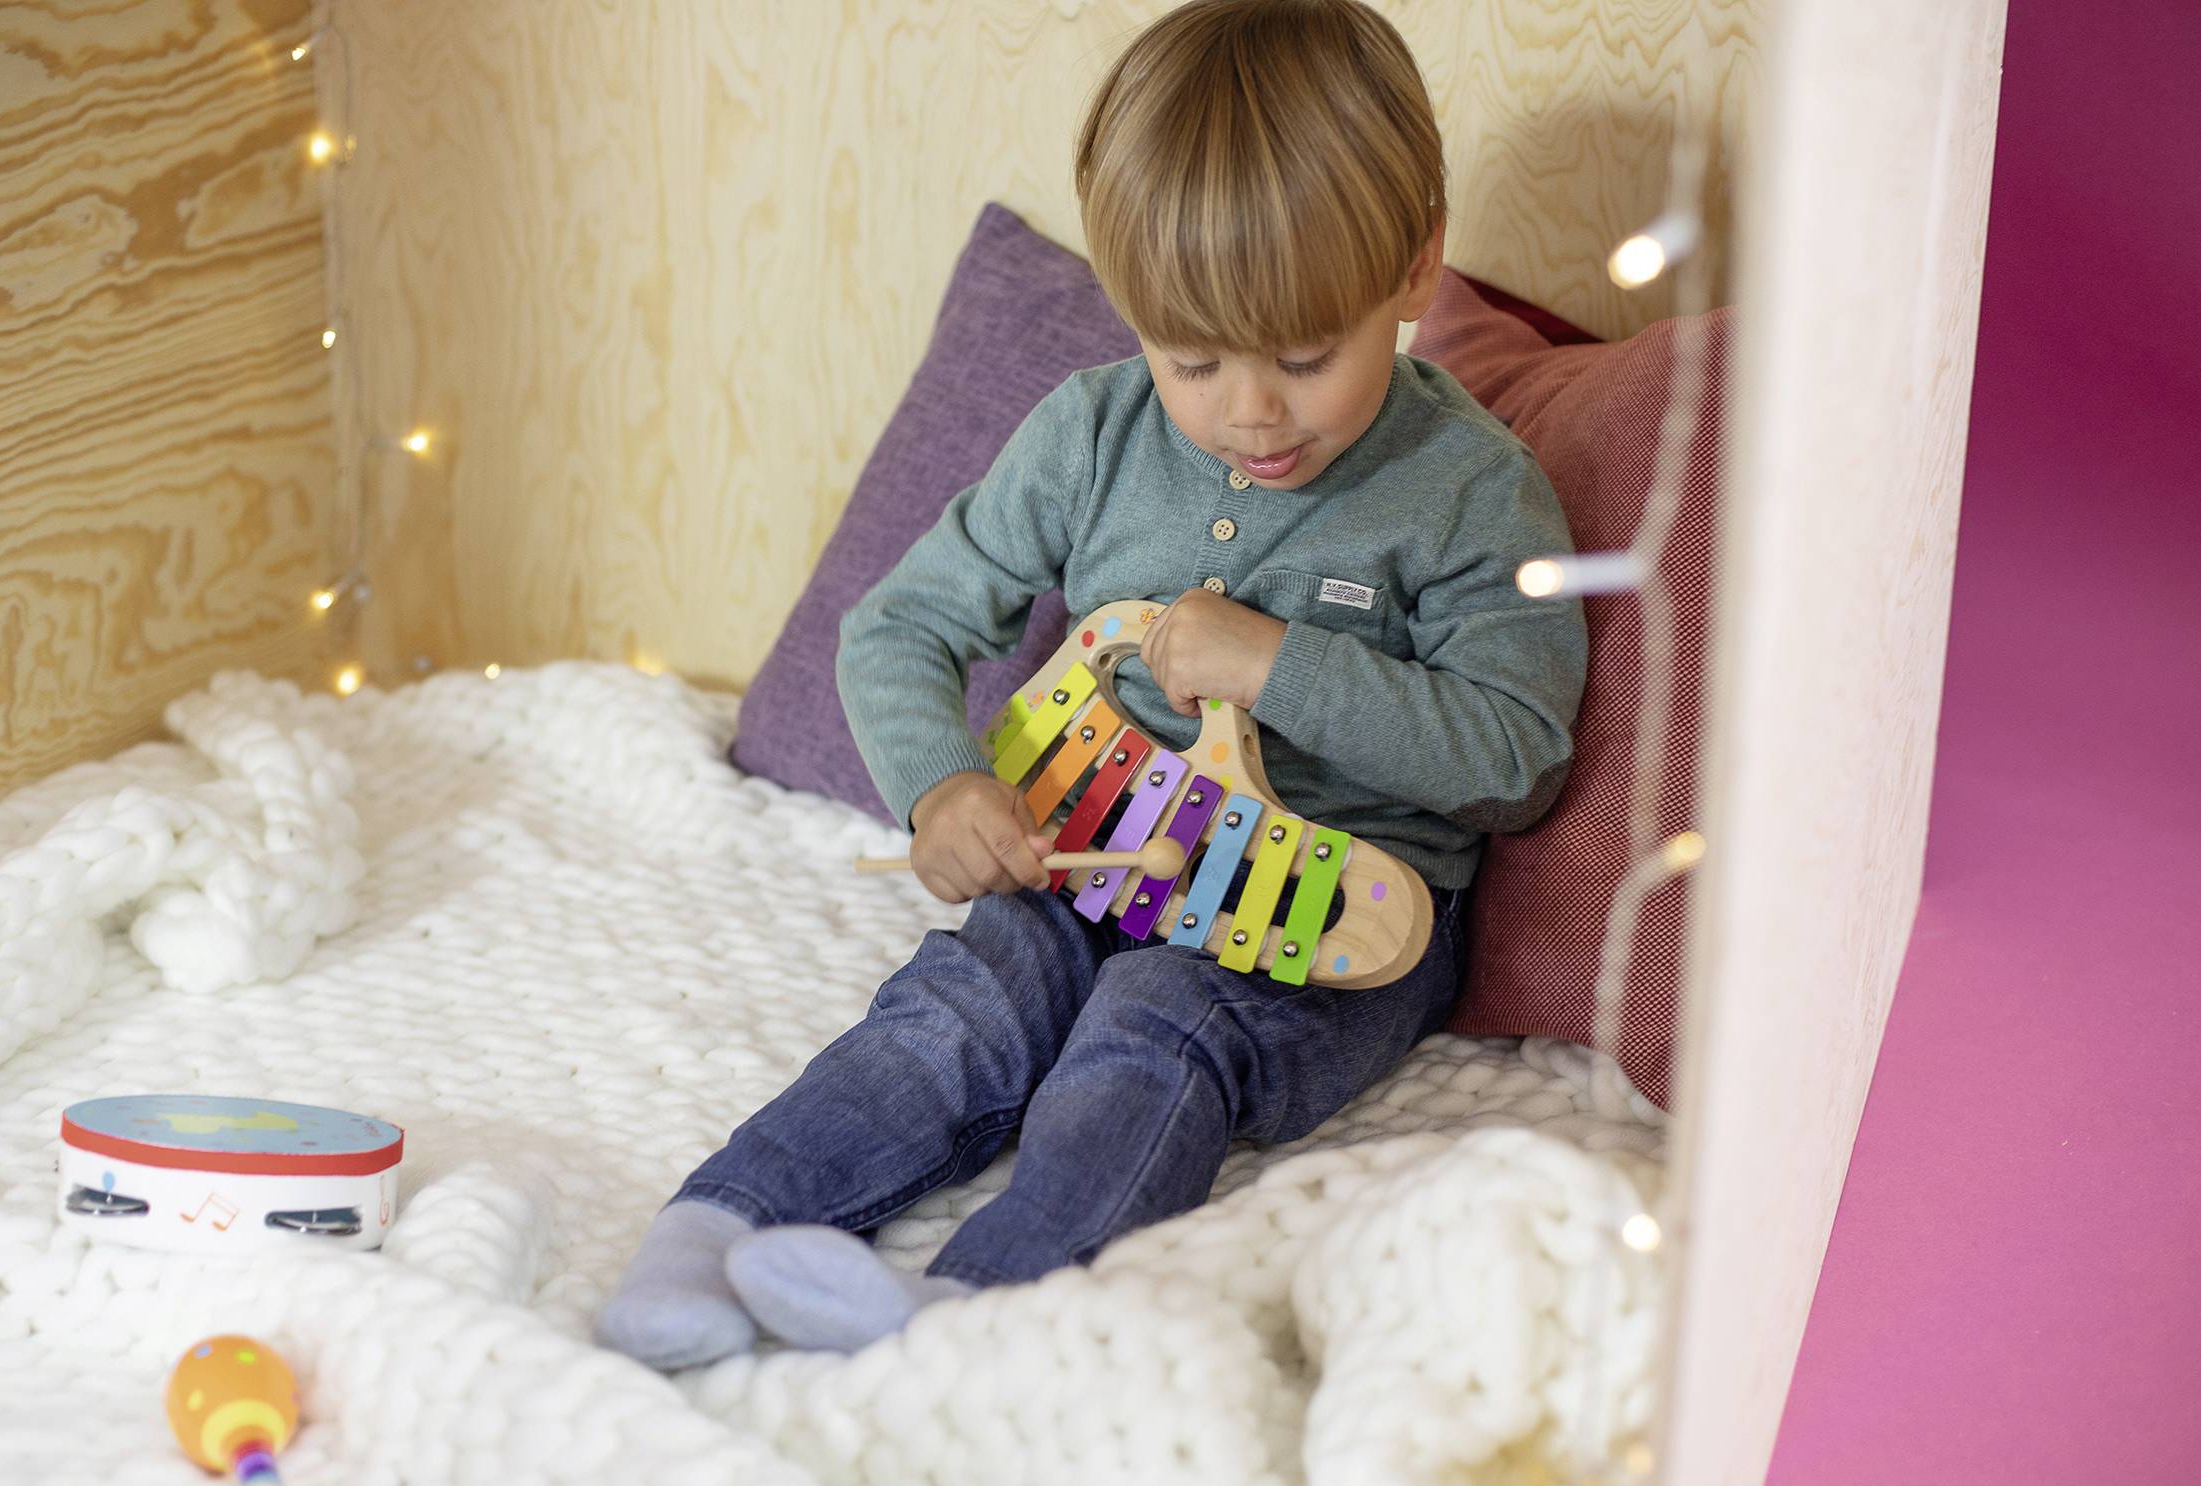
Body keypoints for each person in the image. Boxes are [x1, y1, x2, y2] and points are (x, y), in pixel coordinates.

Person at [597, 0, 1587, 1370]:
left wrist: (1278, 665)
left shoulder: (1472, 492)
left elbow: (1515, 759)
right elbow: (898, 628)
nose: (1251, 411)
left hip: (1329, 926)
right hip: (1098, 856)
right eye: (1193, 359)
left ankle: (983, 1313)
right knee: (970, 994)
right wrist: (940, 788)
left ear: (1416, 265)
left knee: (1155, 1021)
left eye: (1307, 356)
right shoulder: (1090, 435)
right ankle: (720, 1226)